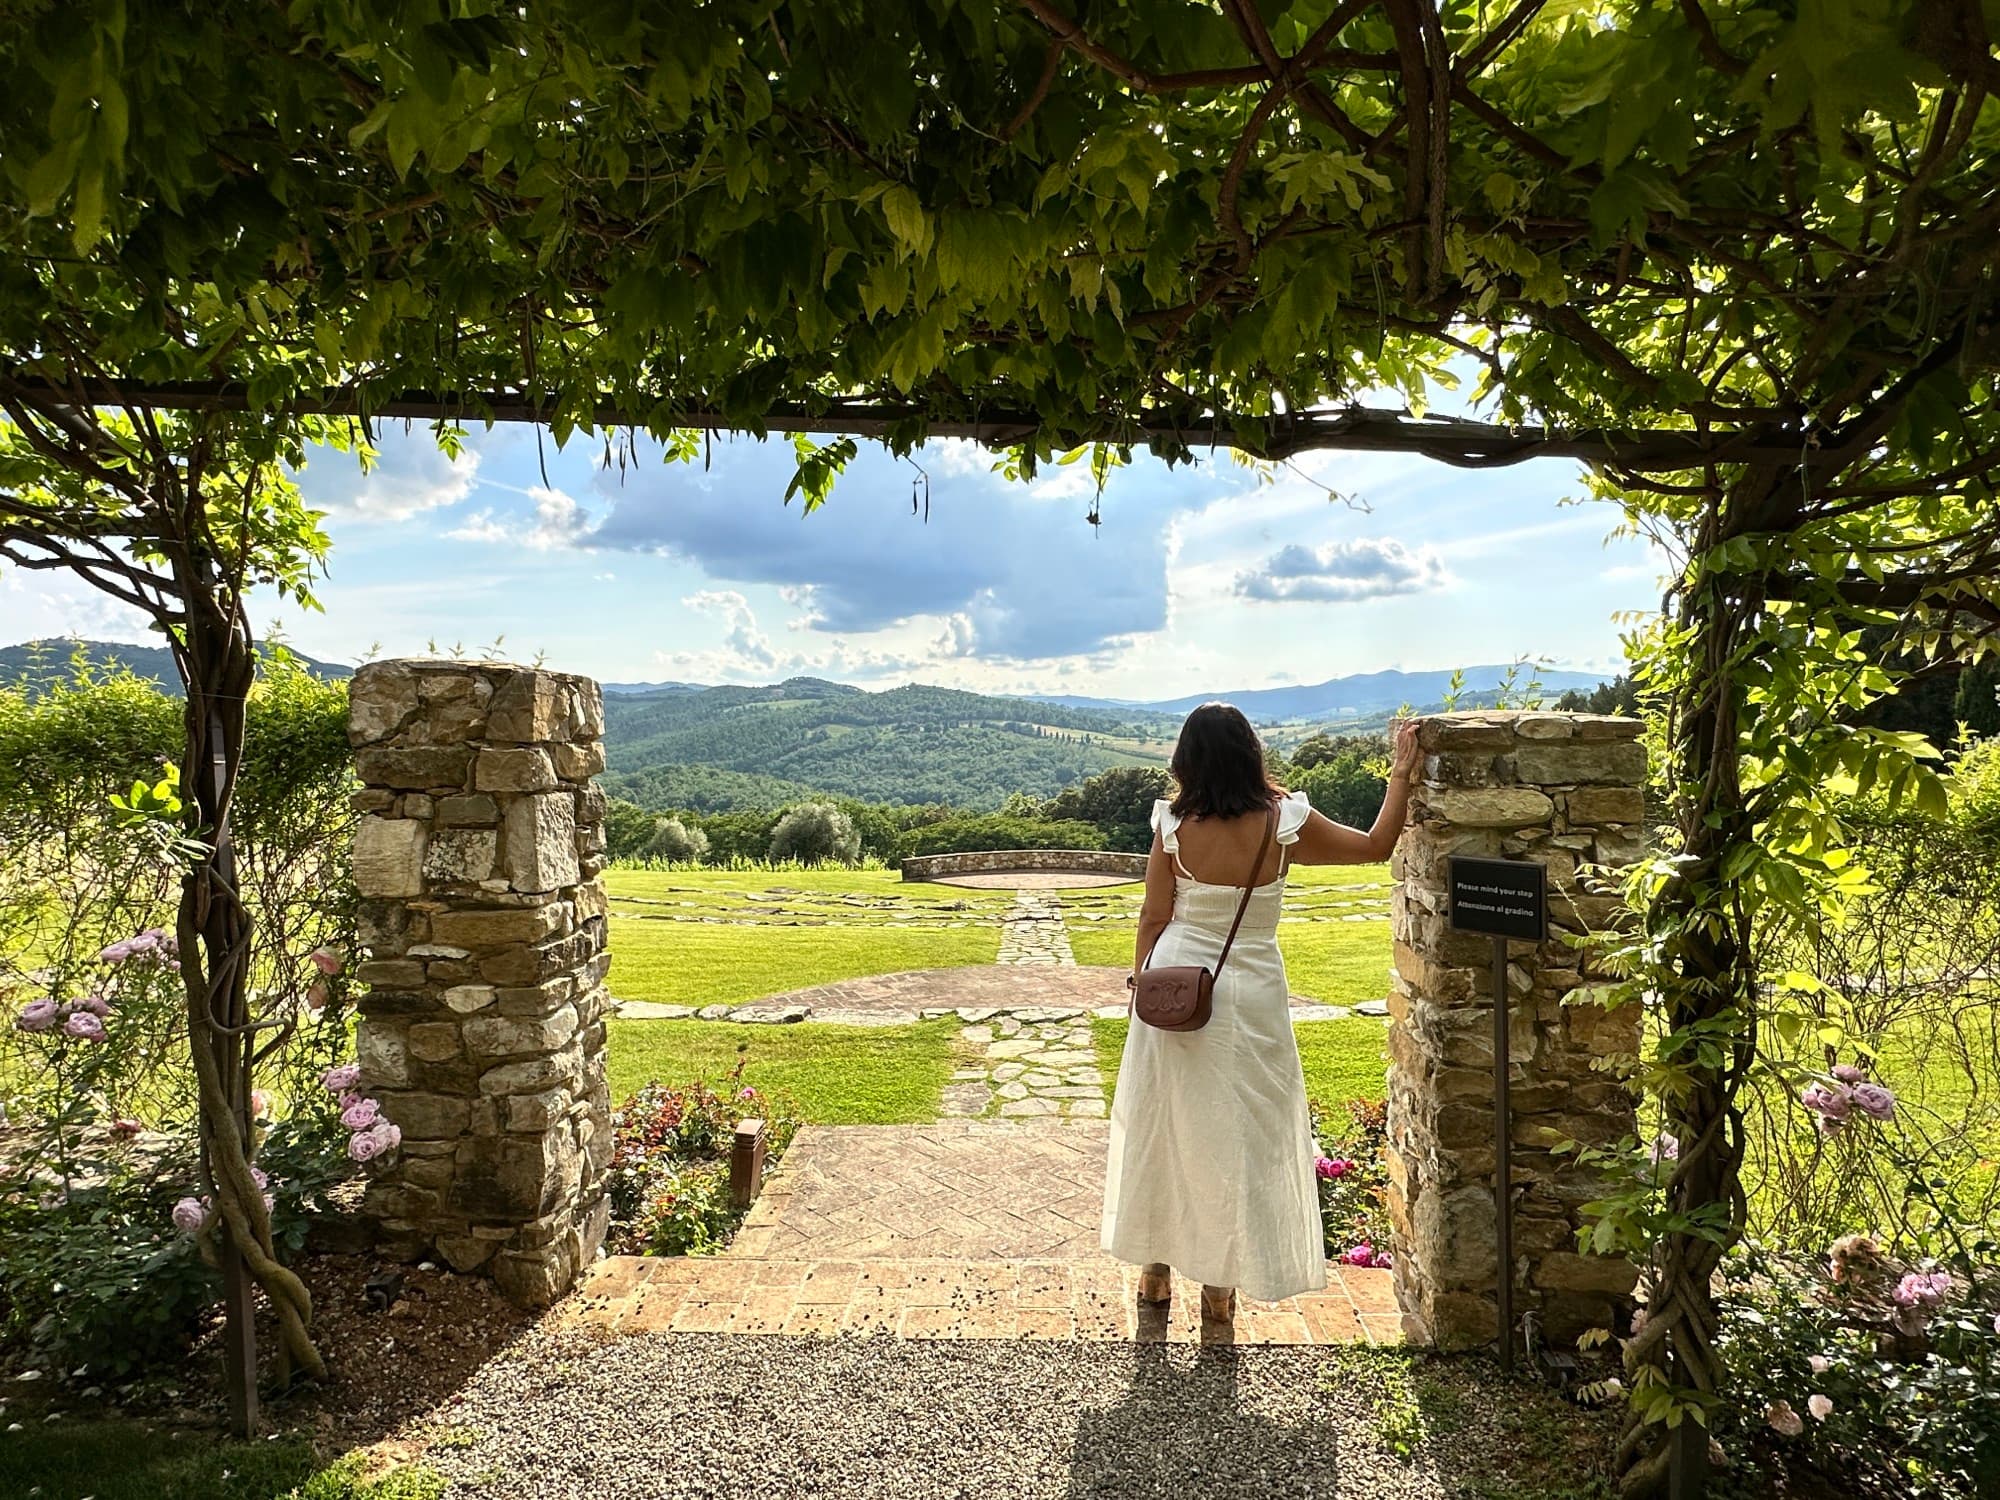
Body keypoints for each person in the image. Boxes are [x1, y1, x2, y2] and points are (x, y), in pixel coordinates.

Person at [1100, 702, 1420, 1324]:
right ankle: (1219, 1285)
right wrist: (1401, 774)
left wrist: (1143, 983)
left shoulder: (1172, 823)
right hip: (1250, 990)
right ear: (1251, 753)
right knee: (1238, 1134)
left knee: (1164, 1126)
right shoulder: (1284, 822)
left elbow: (1154, 915)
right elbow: (1375, 846)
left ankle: (1155, 1272)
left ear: (1186, 760)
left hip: (1175, 988)